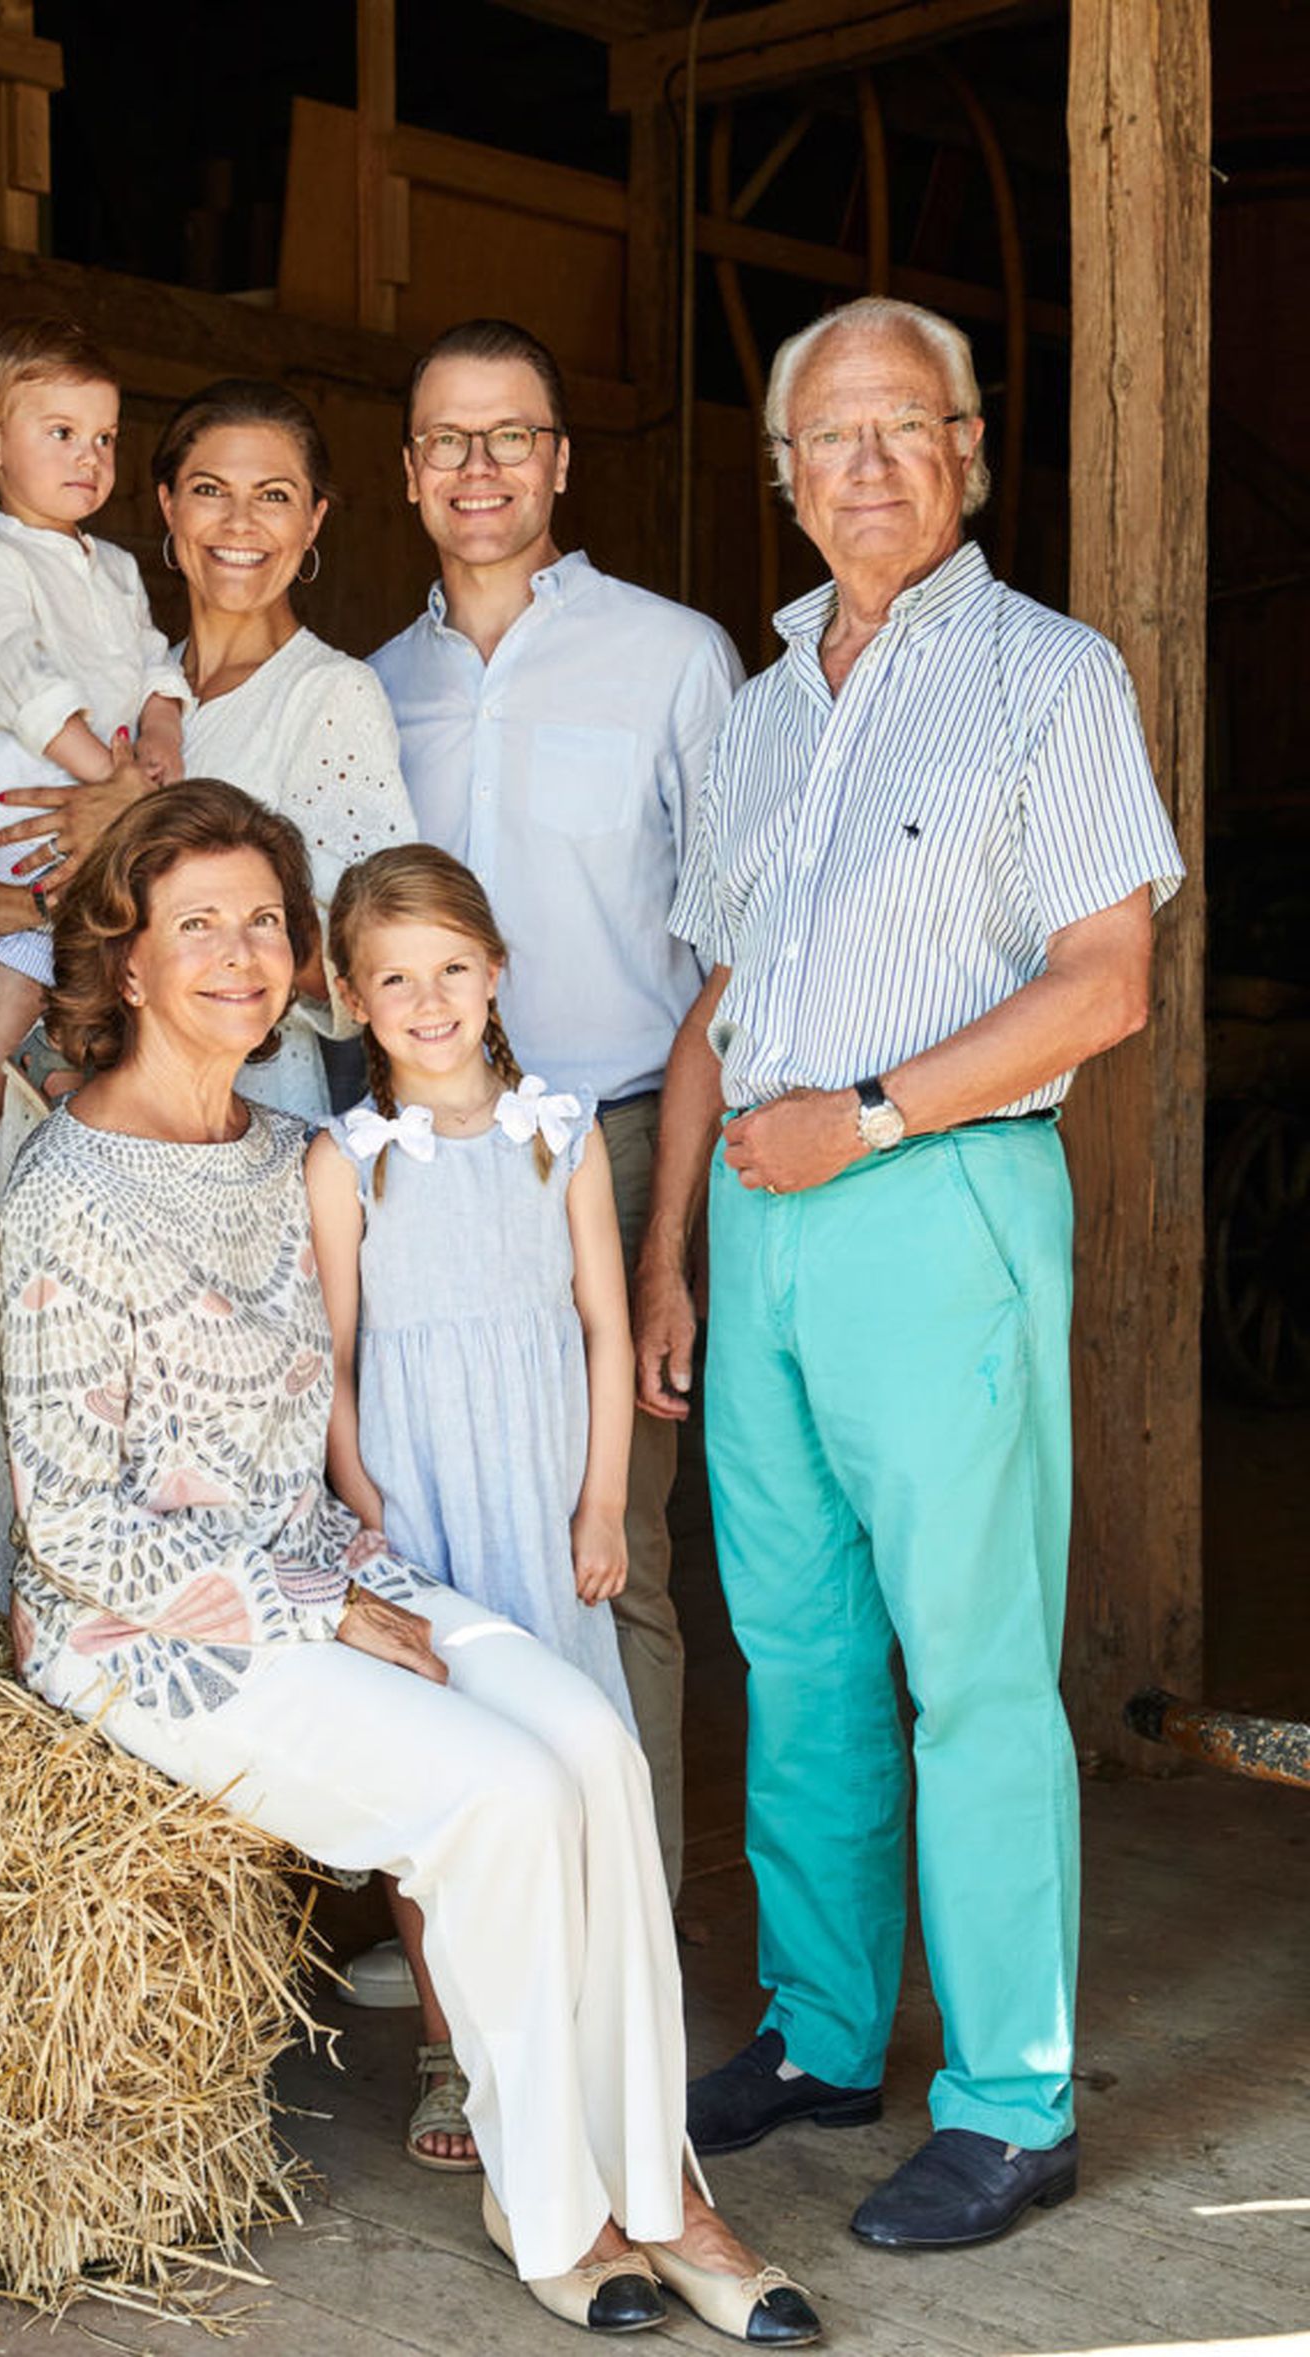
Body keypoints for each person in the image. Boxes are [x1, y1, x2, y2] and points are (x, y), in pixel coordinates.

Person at [0, 778, 822, 2348]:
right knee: (498, 1794)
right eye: (196, 925)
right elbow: (73, 1526)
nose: (240, 953)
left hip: (325, 1565)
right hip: (149, 1631)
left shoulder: (286, 1149)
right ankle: (552, 2203)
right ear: (126, 960)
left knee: (596, 1751)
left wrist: (348, 1572)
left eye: (262, 921)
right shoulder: (66, 1188)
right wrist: (314, 1605)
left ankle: (665, 2192)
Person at [633, 295, 1185, 2252]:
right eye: (829, 436)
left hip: (933, 1199)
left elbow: (1105, 981)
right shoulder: (762, 705)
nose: (866, 464)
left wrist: (861, 1117)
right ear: (783, 473)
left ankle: (1012, 2101)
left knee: (970, 1670)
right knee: (795, 1656)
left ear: (966, 447)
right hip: (760, 1220)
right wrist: (671, 1249)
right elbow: (715, 1001)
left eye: (904, 426)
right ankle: (818, 2031)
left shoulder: (1051, 674)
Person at [0, 378, 414, 1605]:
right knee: (36, 1456)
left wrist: (143, 853)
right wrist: (48, 895)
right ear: (167, 513)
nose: (240, 522)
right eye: (209, 491)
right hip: (50, 1117)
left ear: (315, 521)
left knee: (191, 1468)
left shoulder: (332, 696)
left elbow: (360, 956)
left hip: (229, 1128)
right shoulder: (108, 683)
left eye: (274, 495)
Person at [368, 316, 744, 1923]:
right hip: (418, 1157)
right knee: (433, 1537)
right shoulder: (369, 690)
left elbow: (734, 950)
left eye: (511, 434)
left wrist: (668, 1245)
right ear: (407, 473)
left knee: (614, 1541)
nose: (480, 467)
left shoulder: (676, 656)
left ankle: (624, 1932)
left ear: (563, 461)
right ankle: (473, 1931)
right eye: (448, 440)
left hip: (624, 1136)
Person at [306, 845, 635, 2172]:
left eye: (451, 967)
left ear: (495, 971)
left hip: (543, 1507)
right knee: (439, 1785)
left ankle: (573, 2037)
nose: (429, 999)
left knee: (567, 1763)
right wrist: (364, 1506)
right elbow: (331, 1361)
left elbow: (606, 1330)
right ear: (350, 996)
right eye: (395, 978)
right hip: (421, 1520)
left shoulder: (562, 1131)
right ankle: (449, 2049)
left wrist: (602, 1502)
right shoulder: (348, 1160)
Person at [0, 317, 190, 1295]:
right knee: (124, 923)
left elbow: (155, 666)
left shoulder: (117, 568)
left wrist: (162, 731)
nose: (88, 457)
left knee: (24, 992)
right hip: (14, 804)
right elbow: (23, 682)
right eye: (60, 433)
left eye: (104, 437)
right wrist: (110, 781)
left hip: (78, 806)